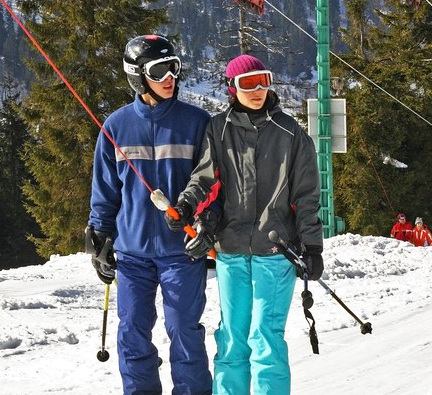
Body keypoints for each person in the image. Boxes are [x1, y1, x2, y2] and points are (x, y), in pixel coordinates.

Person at [175, 53, 323, 395]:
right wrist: (188, 205)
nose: (257, 90)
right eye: (248, 83)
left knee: (264, 337)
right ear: (232, 88)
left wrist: (312, 247)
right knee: (232, 337)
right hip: (232, 251)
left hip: (276, 251)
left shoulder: (291, 134)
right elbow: (206, 180)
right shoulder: (218, 129)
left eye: (263, 81)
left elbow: (306, 196)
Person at [86, 34, 213, 395]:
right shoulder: (116, 126)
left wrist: (206, 222)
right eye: (160, 70)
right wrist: (100, 239)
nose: (171, 77)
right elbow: (105, 192)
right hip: (132, 254)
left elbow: (213, 183)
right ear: (138, 76)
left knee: (184, 330)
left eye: (174, 67)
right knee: (132, 333)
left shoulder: (196, 122)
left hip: (182, 251)